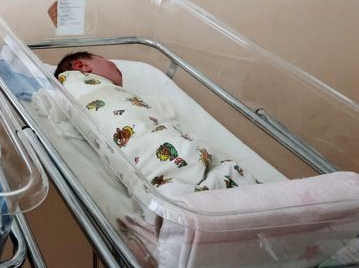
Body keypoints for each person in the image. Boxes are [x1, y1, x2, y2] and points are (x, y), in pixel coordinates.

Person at [54, 51, 260, 192]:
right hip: (150, 157)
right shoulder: (70, 84)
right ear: (82, 66)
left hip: (166, 145)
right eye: (114, 66)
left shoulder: (118, 93)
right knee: (178, 173)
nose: (120, 73)